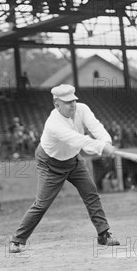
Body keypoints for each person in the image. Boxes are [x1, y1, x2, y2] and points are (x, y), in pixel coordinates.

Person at [9, 84, 120, 253]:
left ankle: (103, 235)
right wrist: (101, 148)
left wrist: (106, 142)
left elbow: (96, 127)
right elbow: (78, 140)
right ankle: (17, 240)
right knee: (42, 204)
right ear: (57, 104)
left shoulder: (82, 109)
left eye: (74, 100)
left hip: (73, 160)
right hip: (50, 164)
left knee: (91, 193)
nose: (73, 105)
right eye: (67, 102)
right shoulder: (53, 124)